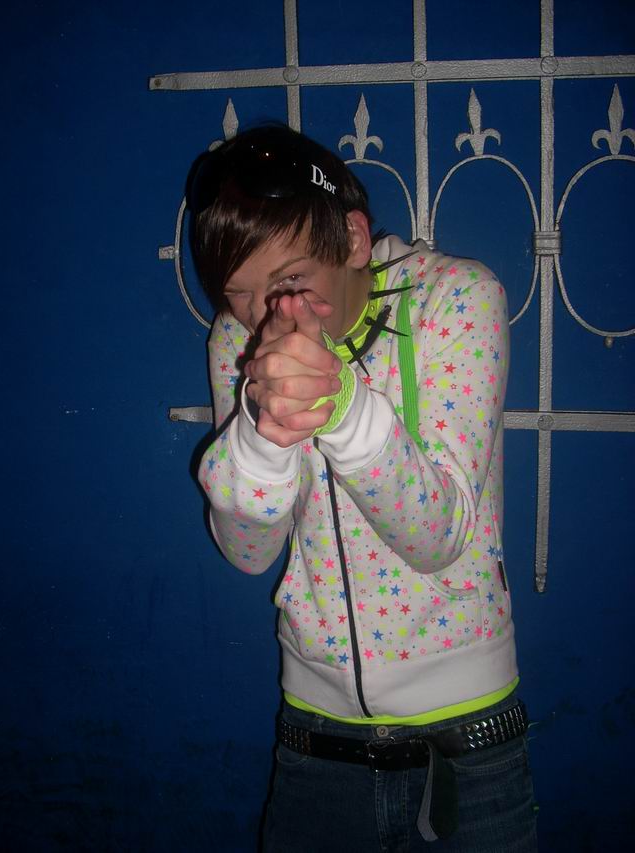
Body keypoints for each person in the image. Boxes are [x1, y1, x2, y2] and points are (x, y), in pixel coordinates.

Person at [189, 125, 538, 852]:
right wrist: (262, 437)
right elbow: (249, 552)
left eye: (287, 282)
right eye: (239, 296)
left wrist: (342, 407)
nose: (267, 316)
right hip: (315, 741)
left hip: (466, 745)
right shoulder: (237, 343)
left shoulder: (456, 298)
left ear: (351, 238)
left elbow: (439, 536)